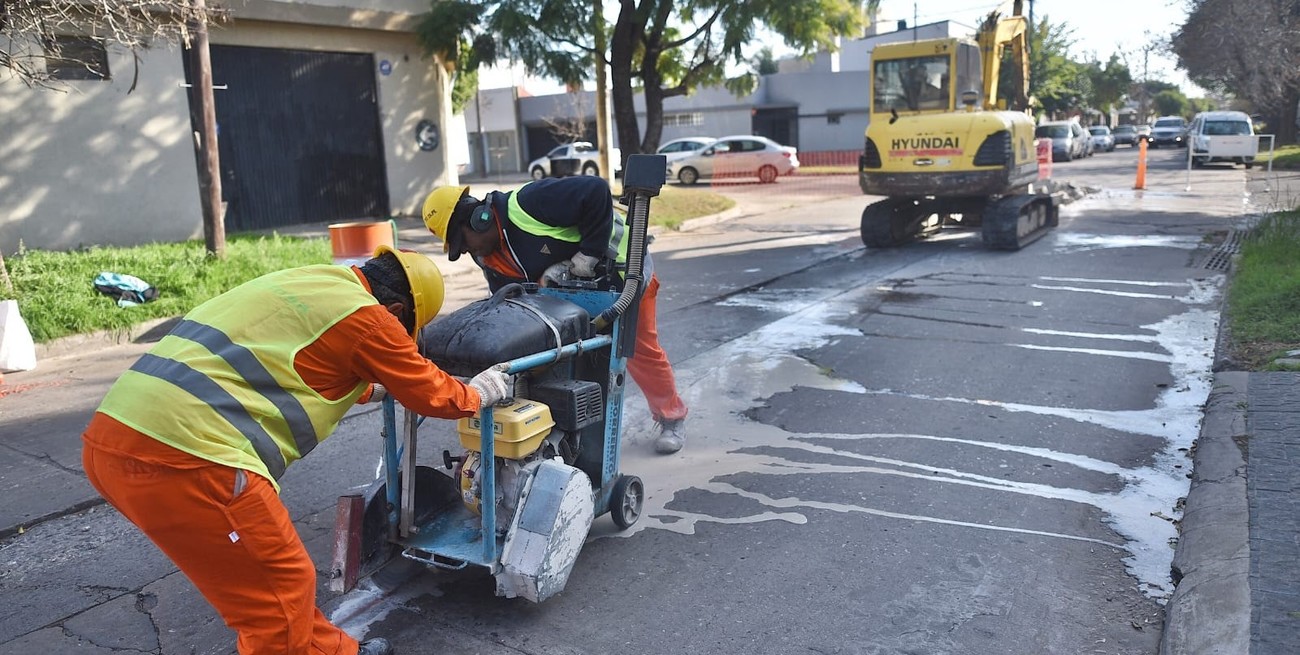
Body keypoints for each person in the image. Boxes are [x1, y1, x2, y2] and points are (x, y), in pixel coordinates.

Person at [80, 247, 513, 655]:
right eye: (403, 334)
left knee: (269, 585)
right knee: (278, 594)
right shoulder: (371, 320)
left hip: (113, 439)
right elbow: (433, 395)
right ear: (398, 311)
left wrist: (370, 387)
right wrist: (477, 394)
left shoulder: (314, 282)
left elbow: (296, 358)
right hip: (187, 457)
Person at [421, 177, 690, 454]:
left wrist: (589, 254)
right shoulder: (488, 257)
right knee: (560, 361)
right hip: (571, 298)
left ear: (480, 219)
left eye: (462, 241)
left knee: (638, 350)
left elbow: (595, 191)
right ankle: (568, 442)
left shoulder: (528, 204)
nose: (466, 251)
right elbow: (511, 305)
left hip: (624, 271)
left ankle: (672, 416)